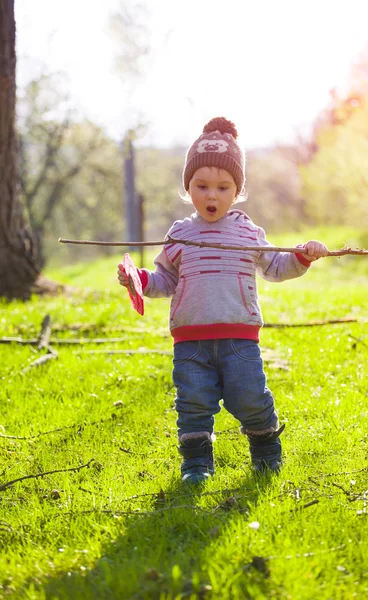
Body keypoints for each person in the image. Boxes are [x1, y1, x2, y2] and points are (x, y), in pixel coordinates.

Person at [118, 117, 328, 484]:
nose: (210, 196)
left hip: (239, 340)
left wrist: (303, 255)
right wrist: (138, 280)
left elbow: (277, 267)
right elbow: (165, 280)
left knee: (249, 397)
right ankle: (196, 465)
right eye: (201, 186)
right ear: (188, 187)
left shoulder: (247, 231)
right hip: (190, 342)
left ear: (237, 191)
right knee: (193, 404)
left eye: (222, 187)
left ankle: (265, 450)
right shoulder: (180, 235)